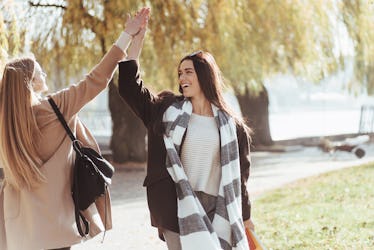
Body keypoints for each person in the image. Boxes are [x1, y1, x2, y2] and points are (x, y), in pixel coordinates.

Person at [0, 7, 150, 250]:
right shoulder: (56, 106)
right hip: (56, 225)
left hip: (19, 229)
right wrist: (127, 35)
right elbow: (97, 79)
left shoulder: (5, 122)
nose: (45, 72)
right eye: (40, 71)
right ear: (30, 82)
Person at [118, 18, 254, 250]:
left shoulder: (232, 126)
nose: (182, 78)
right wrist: (135, 39)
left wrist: (246, 215)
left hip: (216, 206)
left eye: (188, 72)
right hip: (175, 203)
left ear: (205, 75)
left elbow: (239, 175)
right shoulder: (167, 110)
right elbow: (130, 87)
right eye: (180, 73)